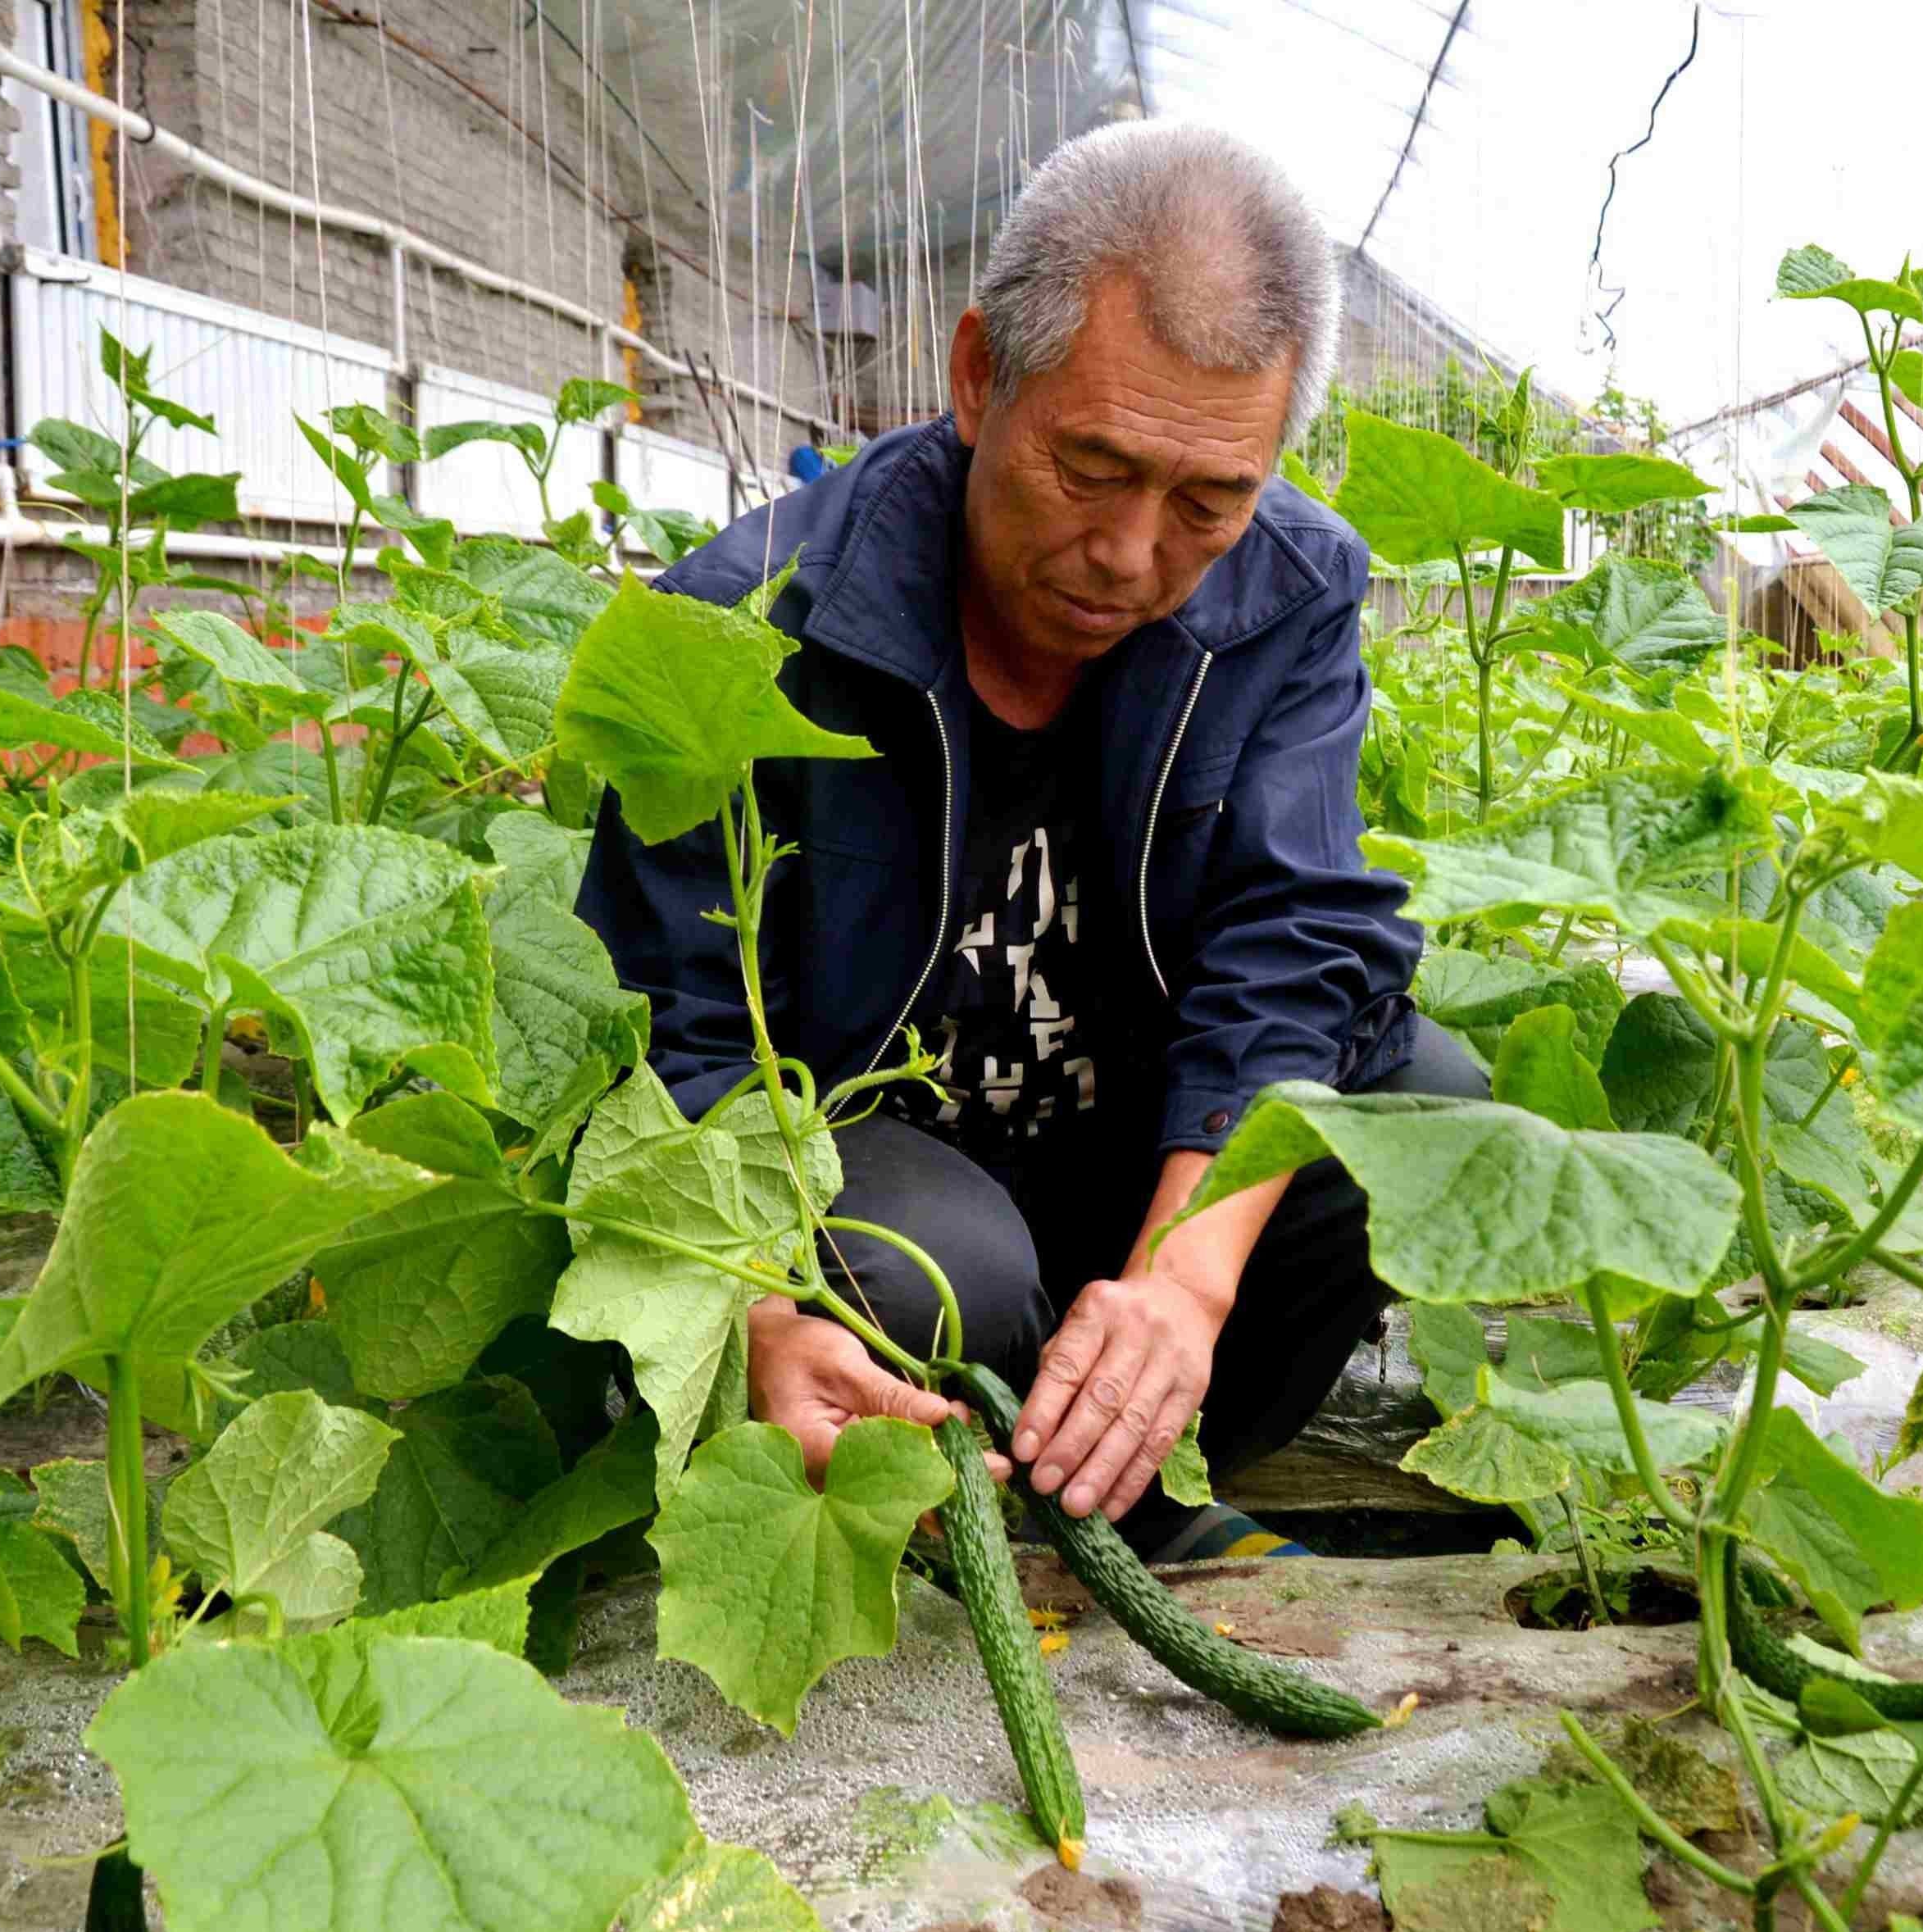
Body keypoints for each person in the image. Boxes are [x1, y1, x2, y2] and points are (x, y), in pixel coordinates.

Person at [575, 121, 1480, 1562]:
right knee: (939, 1274)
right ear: (977, 375)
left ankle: (1142, 1496)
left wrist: (1181, 1286)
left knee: (1420, 1109)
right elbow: (663, 1033)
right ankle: (939, 1519)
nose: (1132, 555)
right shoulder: (746, 624)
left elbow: (1295, 938)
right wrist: (747, 1308)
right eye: (1091, 468)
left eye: (1207, 501)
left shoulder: (1290, 590)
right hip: (880, 1153)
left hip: (1127, 1136)